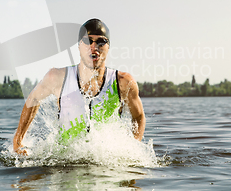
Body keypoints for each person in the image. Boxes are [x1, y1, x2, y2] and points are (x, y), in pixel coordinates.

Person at [13, 18, 146, 155]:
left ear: (108, 46)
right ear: (79, 46)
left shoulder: (123, 82)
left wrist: (133, 147)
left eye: (101, 42)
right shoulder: (58, 77)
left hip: (106, 166)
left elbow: (139, 116)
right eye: (88, 41)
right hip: (65, 162)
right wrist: (18, 141)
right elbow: (33, 99)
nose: (94, 47)